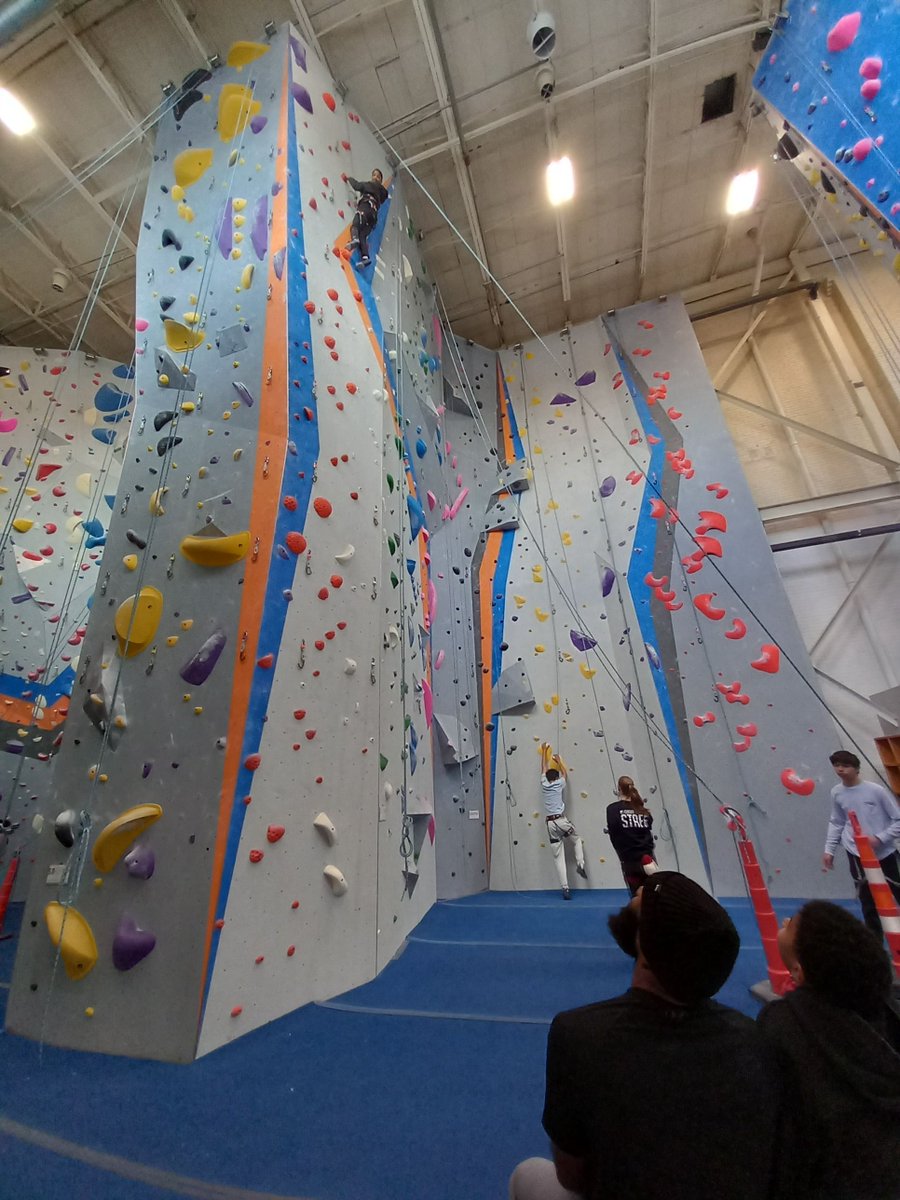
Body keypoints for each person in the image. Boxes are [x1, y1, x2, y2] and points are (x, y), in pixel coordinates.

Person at [509, 872, 783, 1200]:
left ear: (646, 946)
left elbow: (572, 1176)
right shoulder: (753, 1037)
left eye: (643, 900)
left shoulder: (580, 1034)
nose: (636, 893)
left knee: (525, 1175)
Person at [758, 900, 900, 1200]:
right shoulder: (887, 1012)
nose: (783, 923)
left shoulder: (783, 1025)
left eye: (791, 925)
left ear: (799, 971)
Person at [822, 749, 900, 940]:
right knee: (867, 899)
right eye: (837, 765)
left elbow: (898, 820)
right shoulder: (837, 792)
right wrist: (829, 849)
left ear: (856, 769)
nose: (840, 770)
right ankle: (875, 942)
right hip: (856, 853)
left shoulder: (876, 791)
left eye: (845, 766)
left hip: (884, 853)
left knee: (896, 891)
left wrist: (880, 838)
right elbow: (837, 821)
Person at [539, 742, 586, 900]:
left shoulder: (544, 784)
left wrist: (544, 751)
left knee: (558, 857)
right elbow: (565, 774)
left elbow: (543, 769)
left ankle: (565, 888)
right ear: (556, 778)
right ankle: (580, 863)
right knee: (577, 839)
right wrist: (559, 762)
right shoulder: (560, 783)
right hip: (561, 820)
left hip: (550, 824)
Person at [605, 775, 656, 895]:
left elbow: (614, 835)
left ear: (619, 789)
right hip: (648, 859)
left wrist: (621, 854)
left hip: (630, 861)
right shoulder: (643, 810)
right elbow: (648, 829)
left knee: (637, 895)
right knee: (652, 895)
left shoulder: (612, 809)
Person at [346, 168, 388, 266]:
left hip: (366, 206)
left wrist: (349, 178)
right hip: (373, 216)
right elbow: (383, 198)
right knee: (363, 236)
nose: (375, 177)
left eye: (377, 176)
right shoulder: (382, 193)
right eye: (374, 175)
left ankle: (354, 239)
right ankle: (365, 257)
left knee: (355, 225)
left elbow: (356, 185)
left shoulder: (369, 185)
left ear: (380, 180)